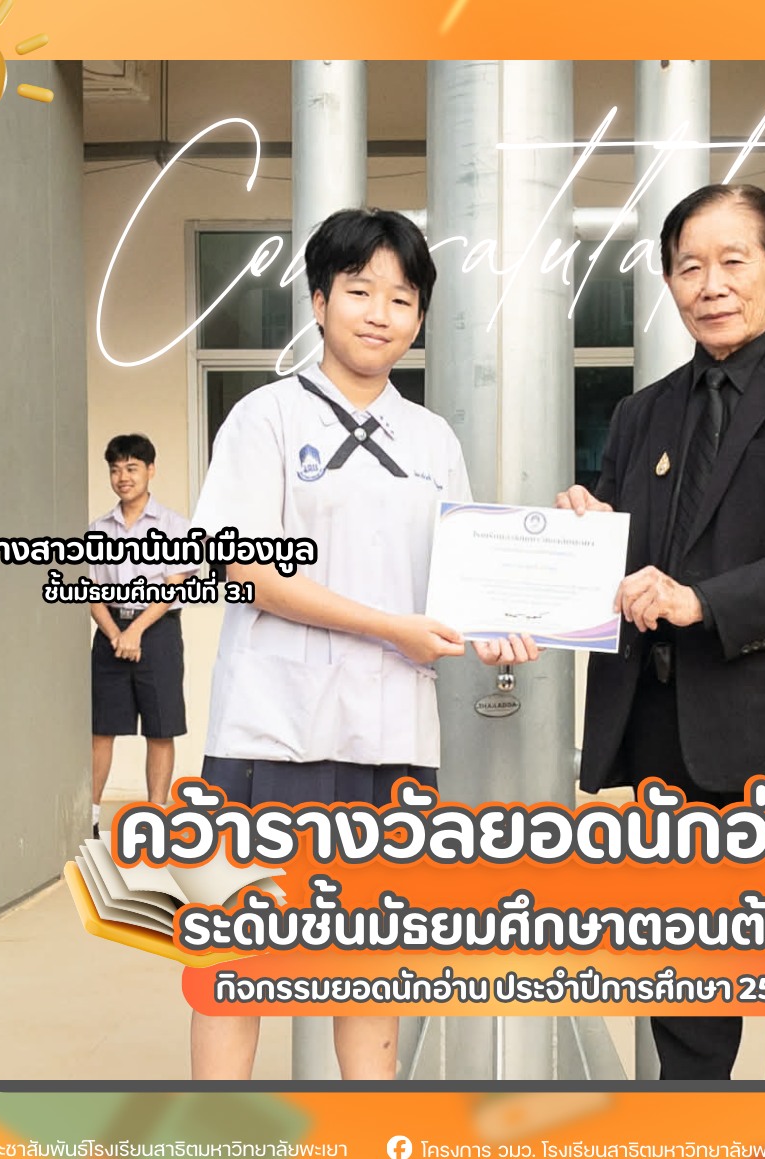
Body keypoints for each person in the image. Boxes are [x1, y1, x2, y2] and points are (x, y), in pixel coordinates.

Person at [557, 183, 765, 1080]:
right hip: (666, 744)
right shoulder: (641, 413)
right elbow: (633, 567)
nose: (710, 285)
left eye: (732, 261)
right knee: (686, 987)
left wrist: (701, 602)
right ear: (669, 282)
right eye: (688, 267)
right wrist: (588, 536)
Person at [189, 207, 536, 1081]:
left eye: (402, 297)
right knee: (239, 964)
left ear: (419, 317)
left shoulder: (433, 440)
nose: (380, 313)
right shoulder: (263, 419)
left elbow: (457, 580)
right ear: (318, 301)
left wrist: (492, 629)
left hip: (393, 739)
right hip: (273, 731)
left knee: (370, 964)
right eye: (359, 291)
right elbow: (244, 570)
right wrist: (391, 627)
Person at [89, 434, 192, 836]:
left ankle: (155, 821)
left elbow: (173, 587)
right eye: (115, 469)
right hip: (111, 633)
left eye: (131, 468)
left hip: (158, 632)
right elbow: (92, 593)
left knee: (160, 727)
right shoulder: (98, 529)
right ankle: (90, 817)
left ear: (151, 470)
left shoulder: (175, 526)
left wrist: (135, 631)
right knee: (100, 728)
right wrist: (116, 634)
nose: (123, 477)